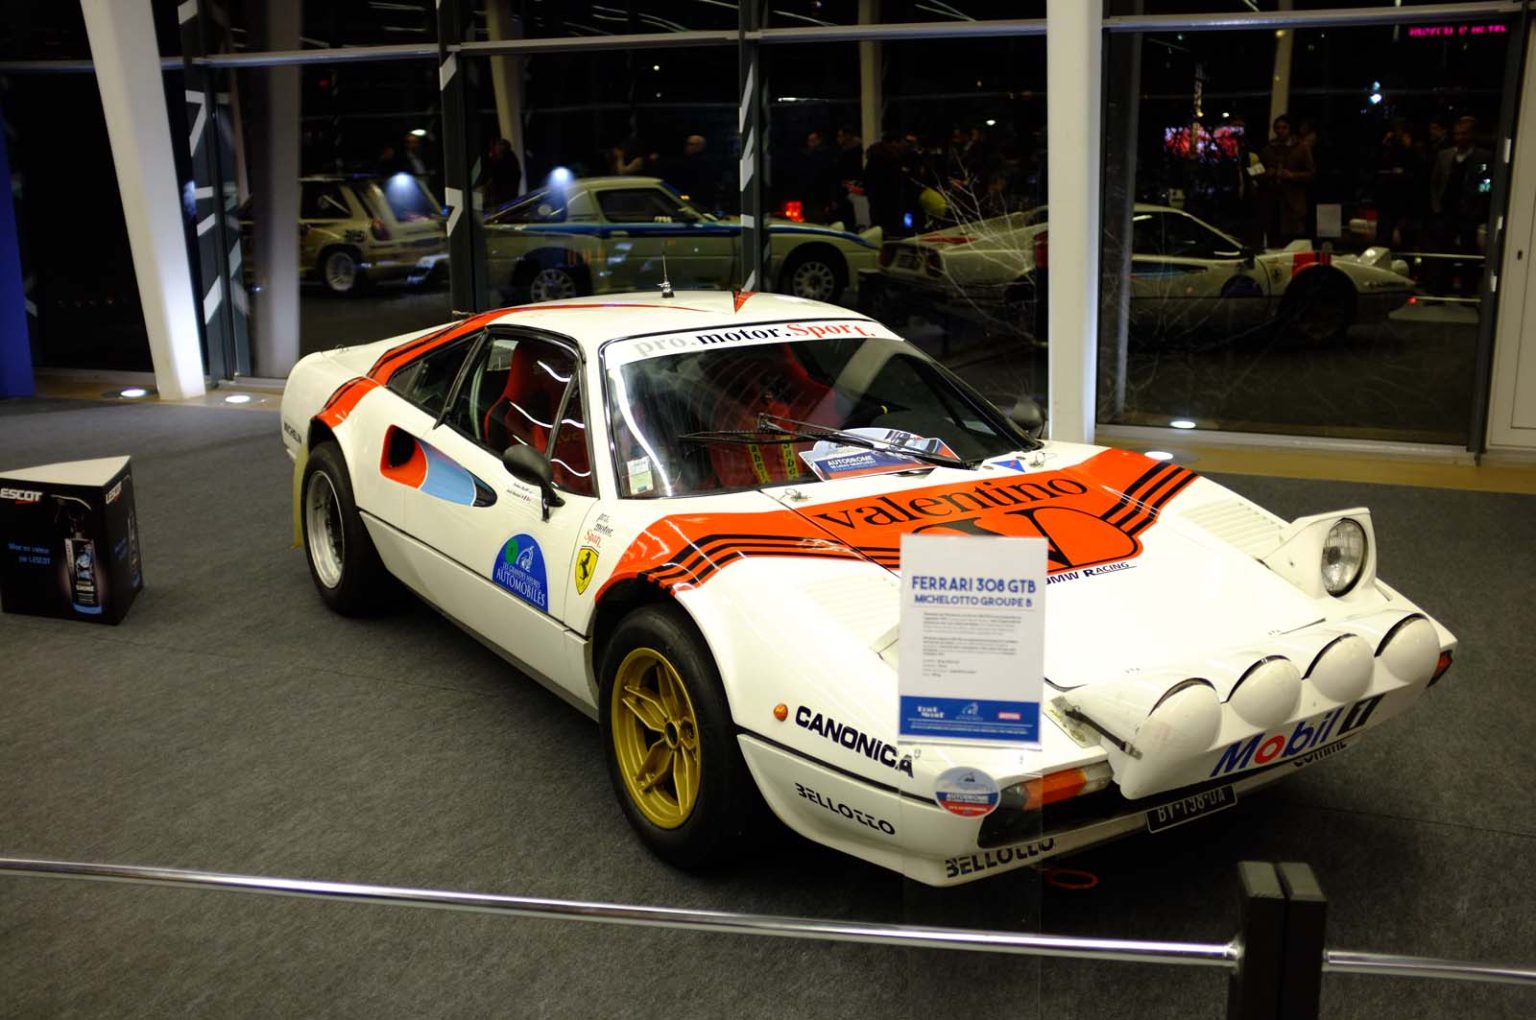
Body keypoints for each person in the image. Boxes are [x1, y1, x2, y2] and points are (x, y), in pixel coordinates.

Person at [1429, 115, 1493, 295]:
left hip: (1469, 213)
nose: (1460, 138)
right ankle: (1440, 291)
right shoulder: (1444, 155)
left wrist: (1478, 207)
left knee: (1468, 253)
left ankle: (1467, 291)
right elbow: (1435, 183)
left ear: (1472, 135)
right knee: (1442, 254)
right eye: (1457, 134)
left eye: (1464, 134)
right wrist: (1436, 207)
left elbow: (1486, 184)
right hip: (1446, 211)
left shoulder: (1483, 157)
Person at [1257, 114, 1314, 246]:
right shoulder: (1268, 150)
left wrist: (1293, 175)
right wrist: (1267, 174)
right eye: (1277, 128)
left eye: (1284, 128)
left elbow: (1311, 173)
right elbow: (1258, 172)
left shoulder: (1301, 149)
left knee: (1292, 238)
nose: (1280, 131)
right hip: (1272, 201)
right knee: (1273, 237)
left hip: (1292, 202)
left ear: (1290, 129)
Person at [484, 138, 523, 210]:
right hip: (501, 192)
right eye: (498, 145)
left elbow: (499, 174)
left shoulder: (509, 159)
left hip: (505, 193)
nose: (498, 147)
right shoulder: (502, 158)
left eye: (500, 145)